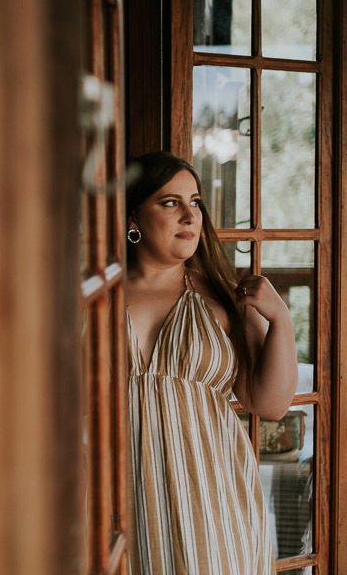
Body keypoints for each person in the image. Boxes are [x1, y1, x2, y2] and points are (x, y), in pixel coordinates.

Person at [125, 151, 297, 574]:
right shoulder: (91, 295)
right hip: (117, 497)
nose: (190, 216)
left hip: (211, 500)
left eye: (195, 202)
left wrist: (280, 319)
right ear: (133, 218)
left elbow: (270, 403)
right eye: (170, 203)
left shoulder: (221, 298)